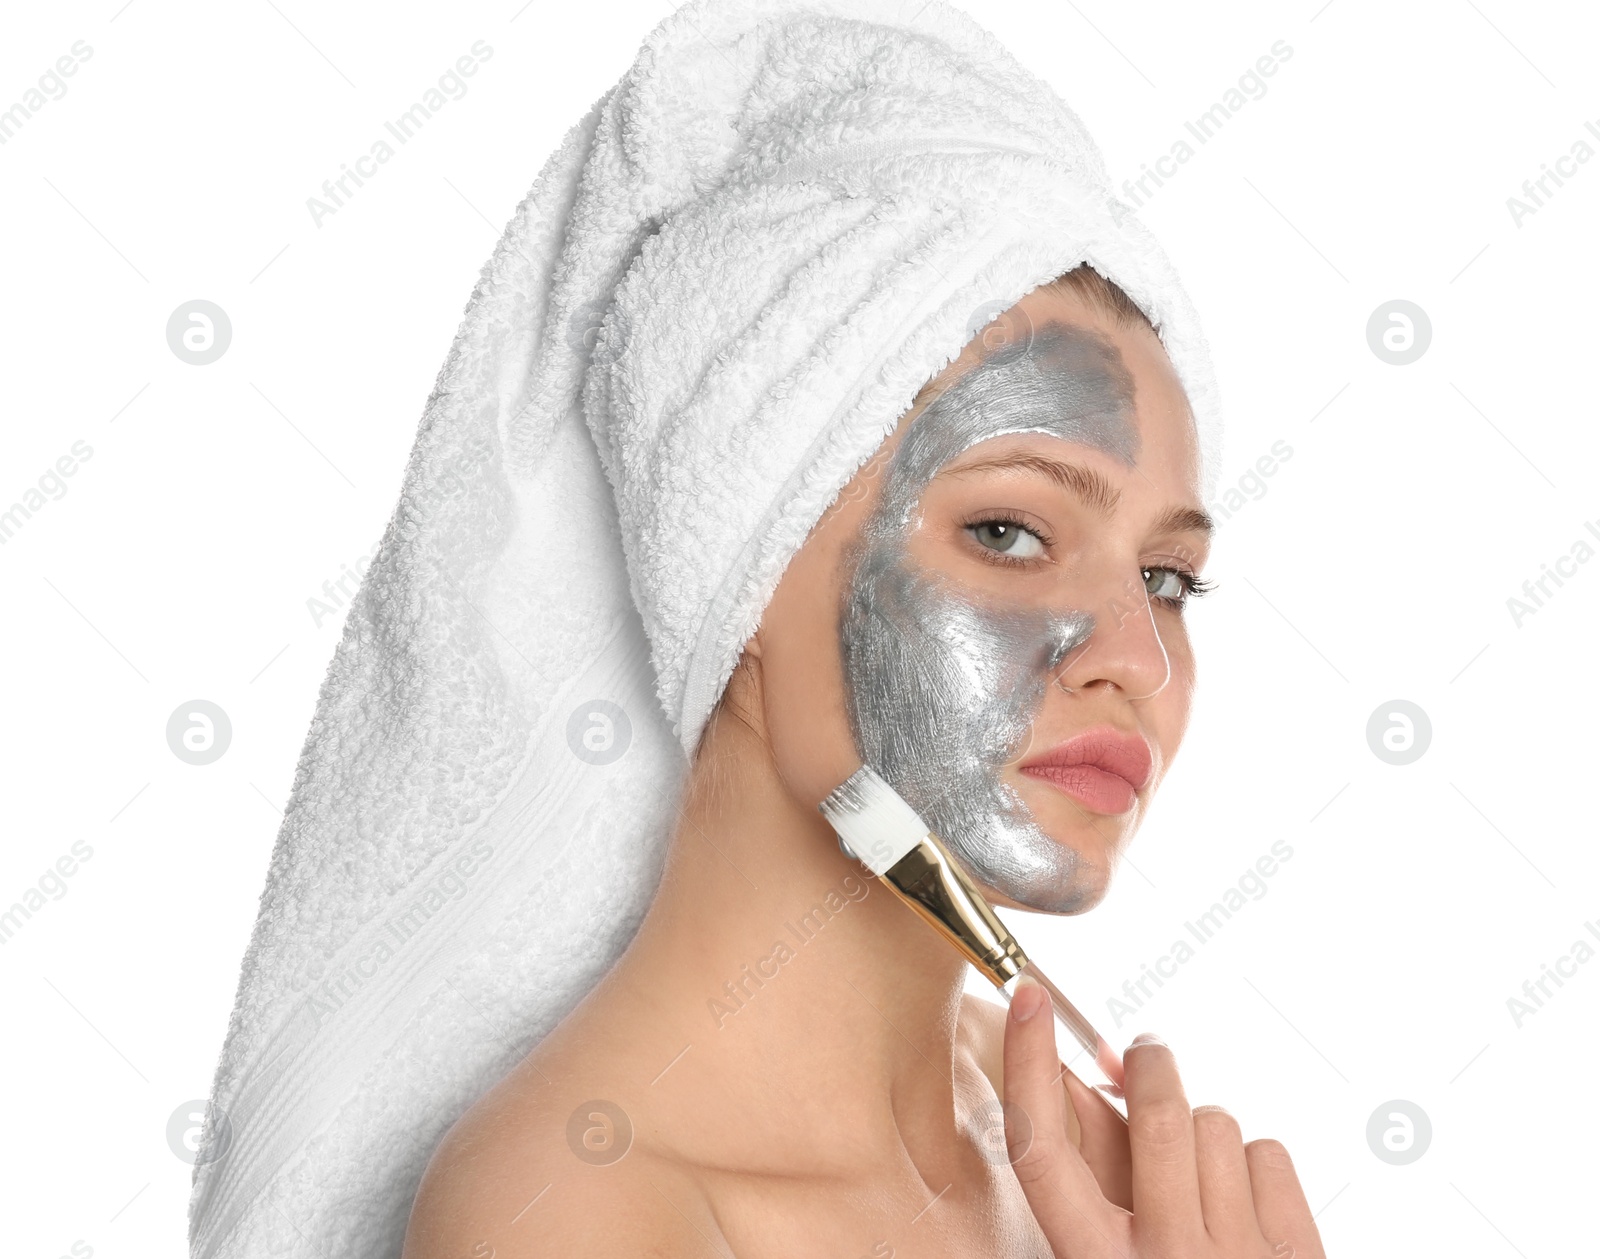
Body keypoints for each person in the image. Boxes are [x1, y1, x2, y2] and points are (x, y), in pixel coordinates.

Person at [399, 266, 1327, 1258]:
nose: (1138, 655)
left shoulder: (1092, 1161)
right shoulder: (568, 1211)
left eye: (1163, 577)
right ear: (738, 563)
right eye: (1007, 532)